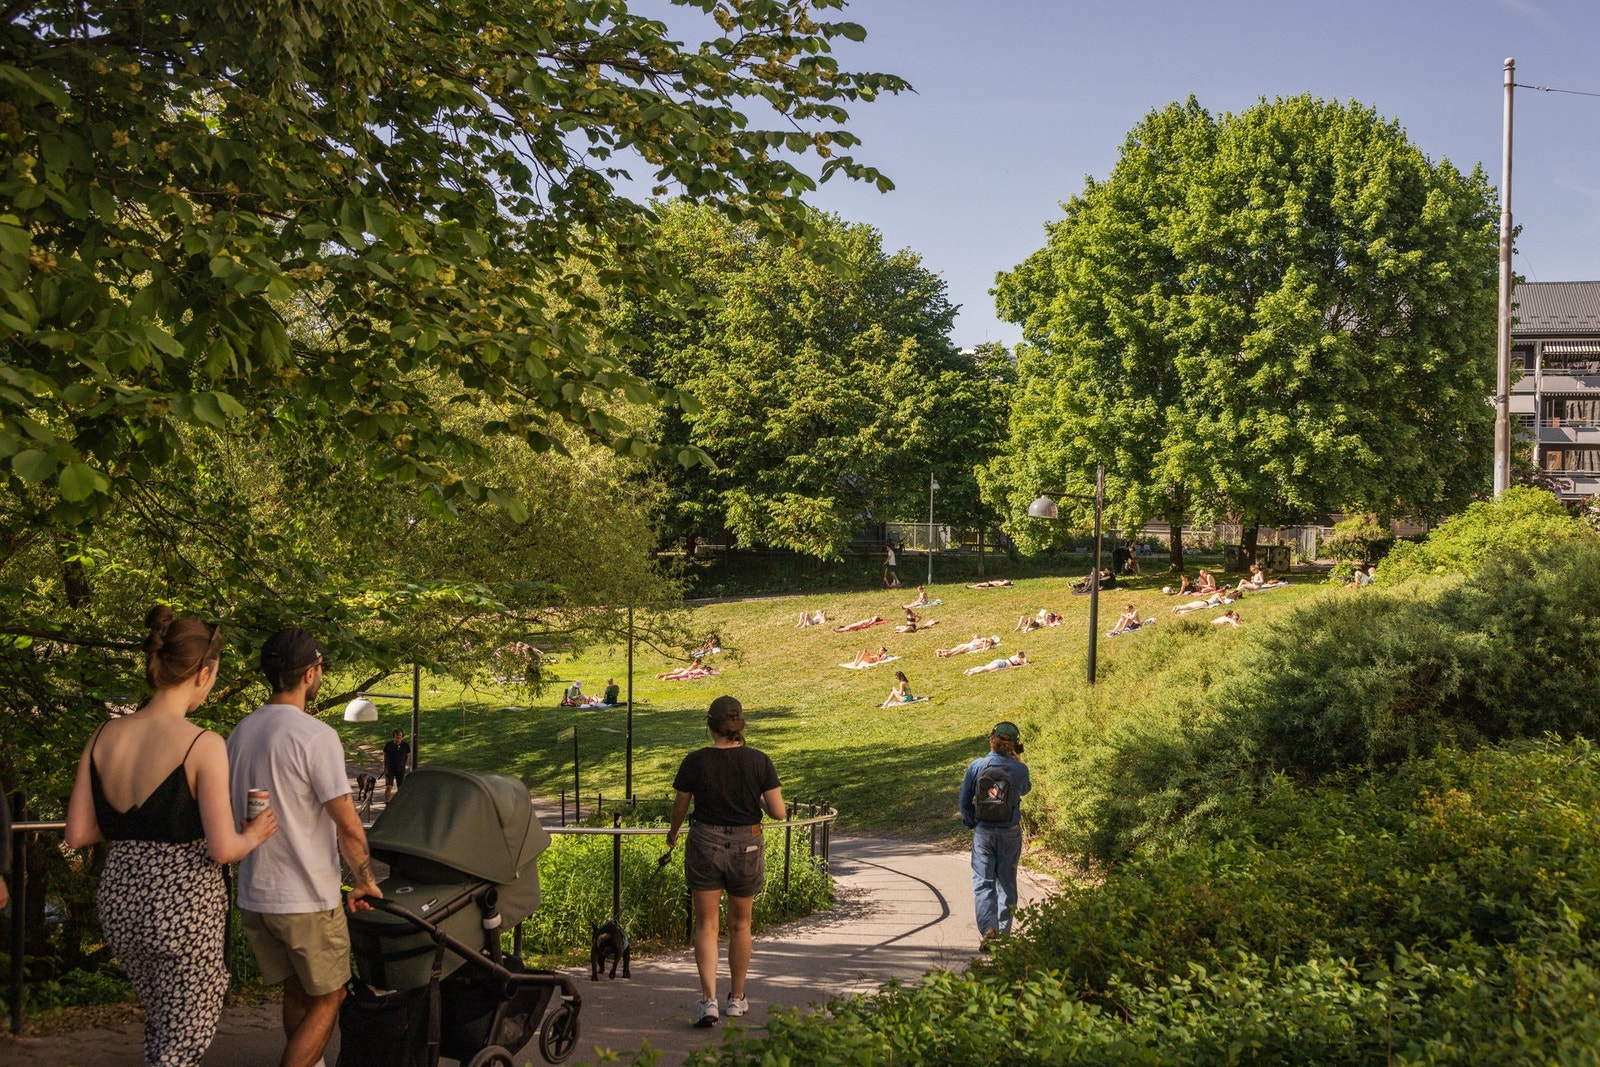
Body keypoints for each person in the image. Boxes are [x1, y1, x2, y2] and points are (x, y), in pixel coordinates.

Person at [65, 606, 279, 1067]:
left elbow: (79, 832)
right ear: (203, 672)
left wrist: (139, 827)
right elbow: (223, 849)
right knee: (181, 1045)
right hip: (182, 909)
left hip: (121, 903)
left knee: (164, 1025)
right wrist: (256, 833)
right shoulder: (202, 743)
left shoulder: (103, 735)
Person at [228, 628, 381, 1067]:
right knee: (330, 996)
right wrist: (365, 882)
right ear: (310, 673)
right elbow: (349, 827)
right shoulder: (314, 736)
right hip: (305, 899)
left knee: (297, 989)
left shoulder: (241, 733)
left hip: (256, 896)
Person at [665, 696, 785, 1028]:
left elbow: (680, 806)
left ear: (710, 725)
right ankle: (737, 998)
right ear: (740, 725)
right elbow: (779, 812)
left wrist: (673, 835)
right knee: (740, 924)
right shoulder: (759, 761)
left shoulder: (695, 761)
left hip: (705, 841)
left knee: (706, 926)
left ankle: (708, 1001)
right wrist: (756, 799)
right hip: (747, 844)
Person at [958, 722, 1031, 946]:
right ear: (1014, 745)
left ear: (992, 739)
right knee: (1006, 883)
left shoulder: (977, 766)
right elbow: (1026, 790)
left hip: (984, 833)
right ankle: (1004, 933)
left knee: (983, 882)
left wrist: (973, 822)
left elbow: (963, 801)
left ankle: (989, 930)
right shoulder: (1020, 769)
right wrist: (1016, 763)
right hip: (1010, 833)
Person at [382, 729, 411, 803]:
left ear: (402, 736)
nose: (398, 737)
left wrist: (405, 764)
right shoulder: (389, 744)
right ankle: (387, 802)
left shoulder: (405, 745)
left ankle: (400, 802)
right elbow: (385, 755)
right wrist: (385, 766)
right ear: (394, 736)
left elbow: (408, 755)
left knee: (400, 787)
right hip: (390, 768)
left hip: (400, 768)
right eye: (397, 735)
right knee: (389, 786)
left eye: (400, 735)